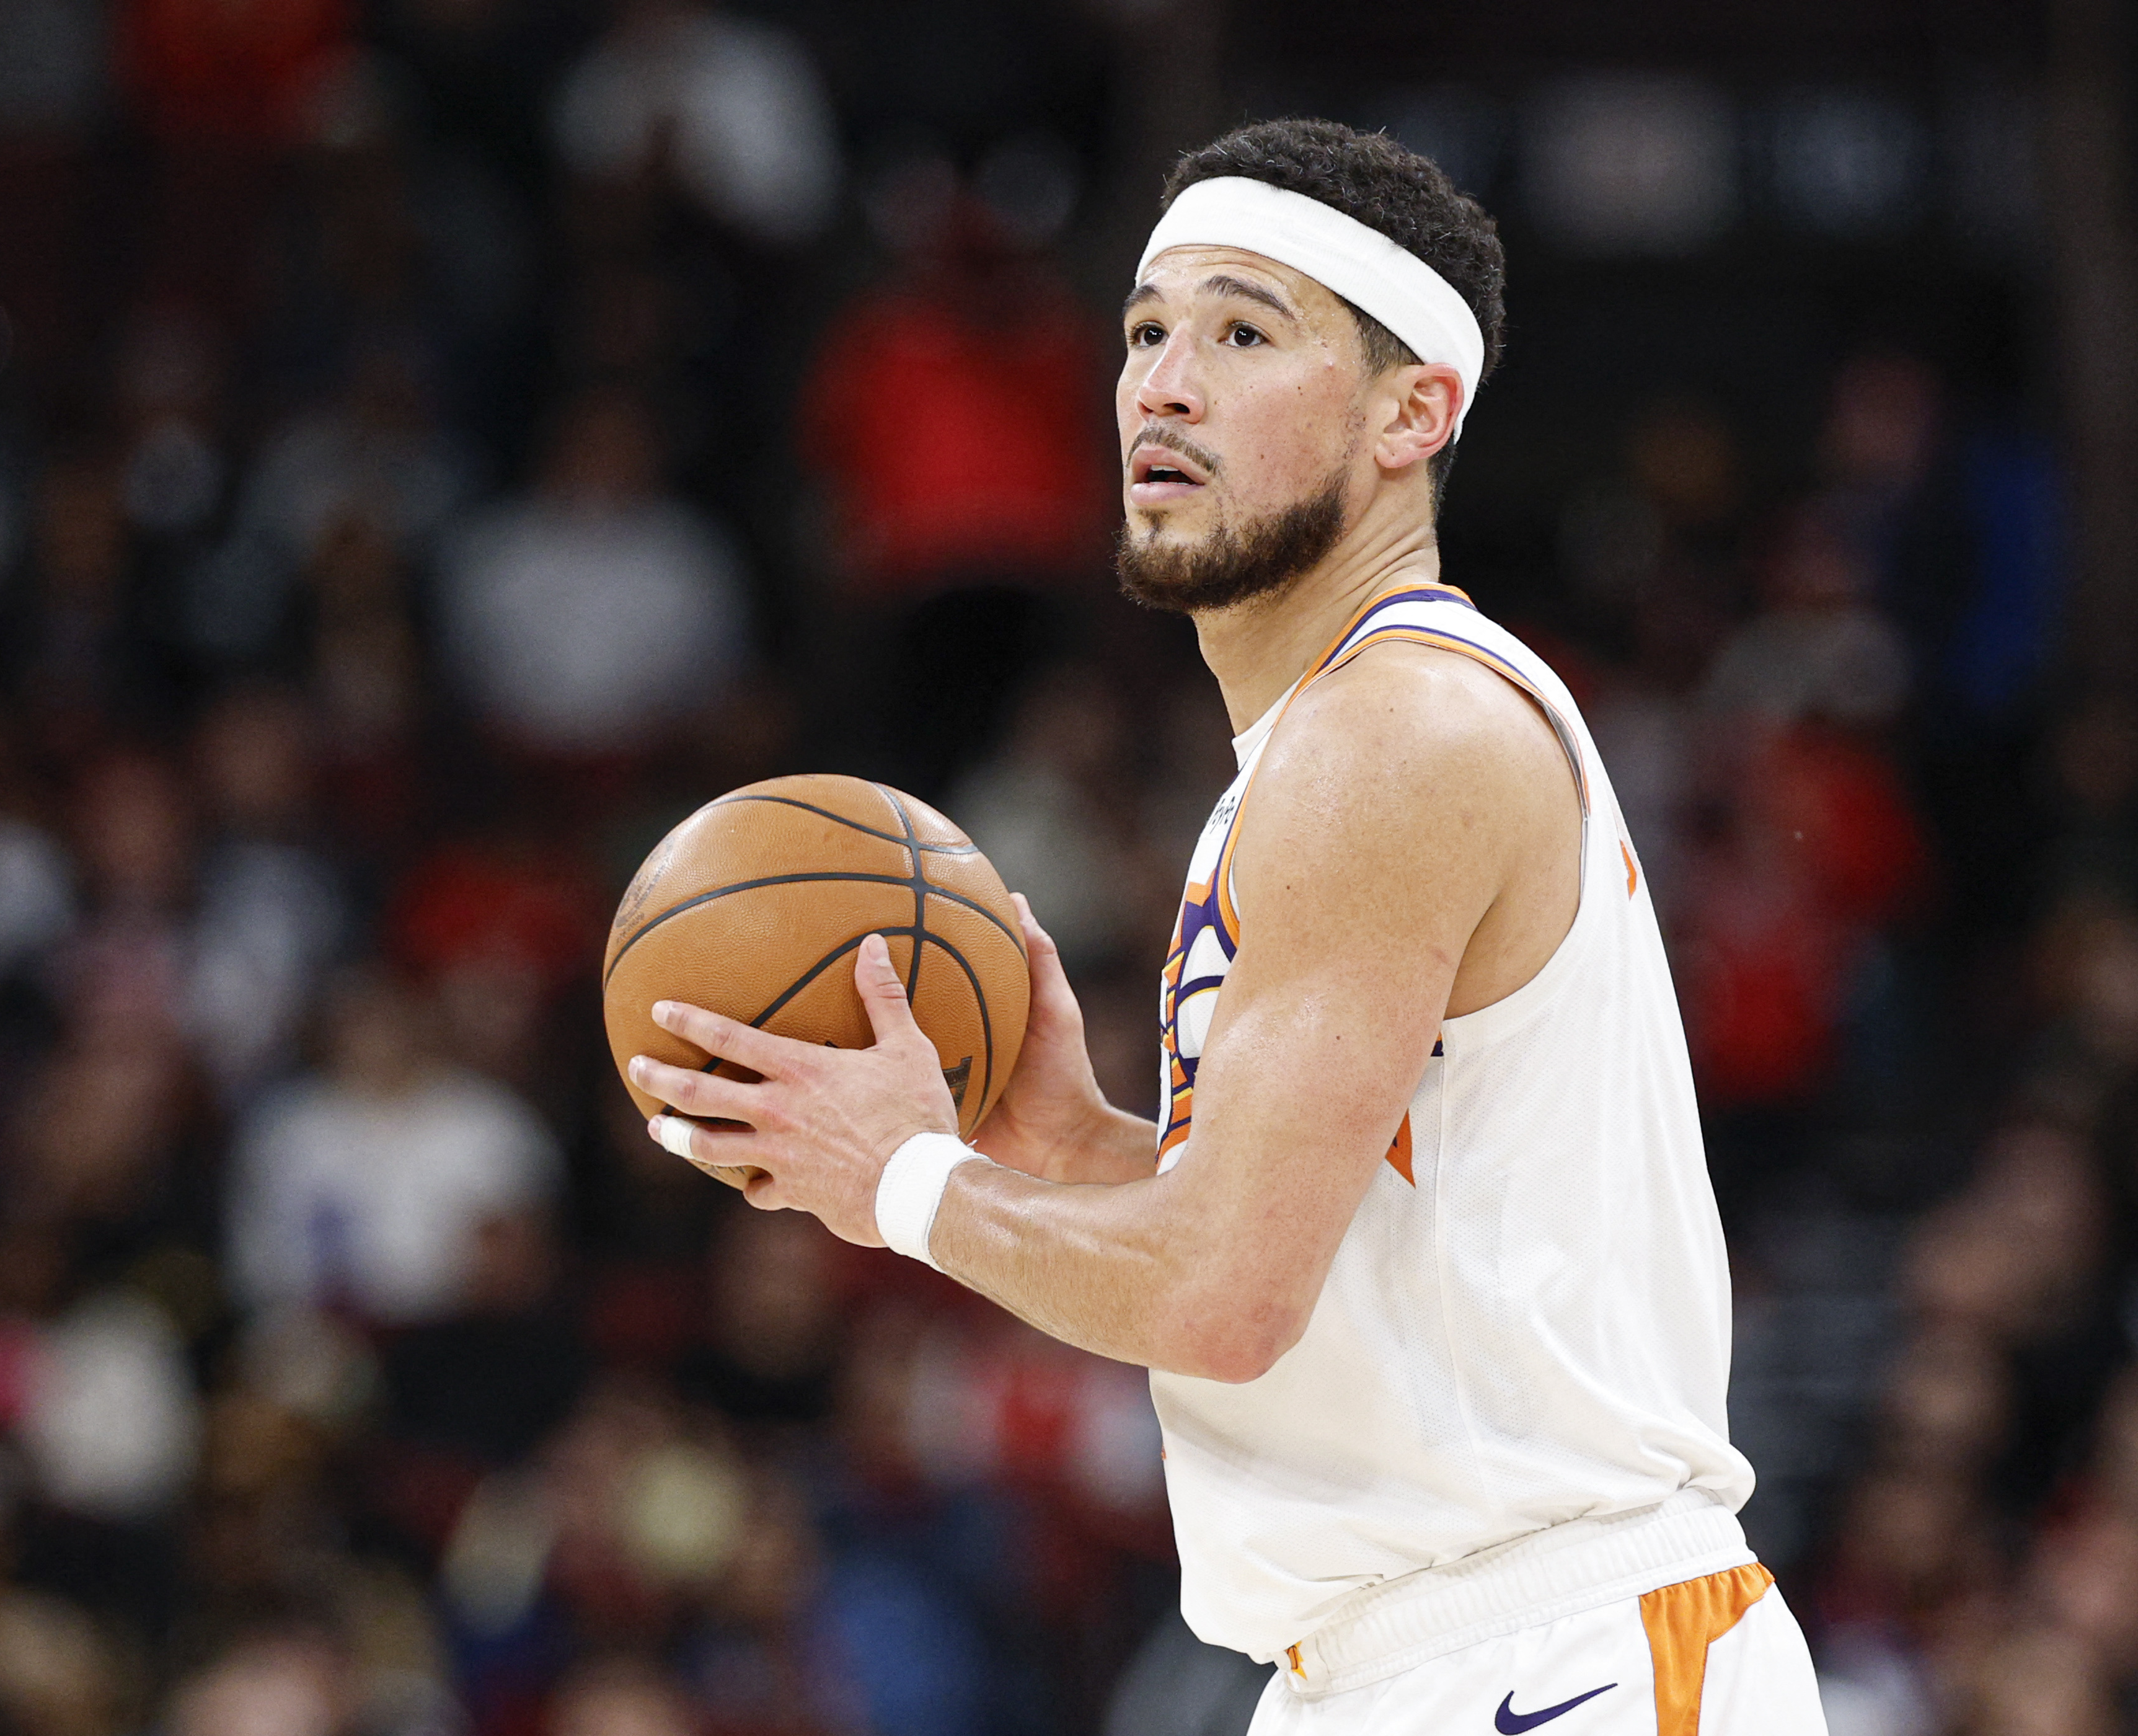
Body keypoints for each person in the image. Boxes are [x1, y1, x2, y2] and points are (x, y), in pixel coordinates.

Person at [624, 118, 1827, 1734]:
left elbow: (1224, 1303)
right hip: (1411, 1659)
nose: (1162, 384)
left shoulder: (1394, 736)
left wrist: (903, 1179)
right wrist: (1065, 1141)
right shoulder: (1320, 752)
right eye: (1144, 332)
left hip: (1551, 1660)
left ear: (1417, 412)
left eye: (1244, 332)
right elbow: (1324, 1270)